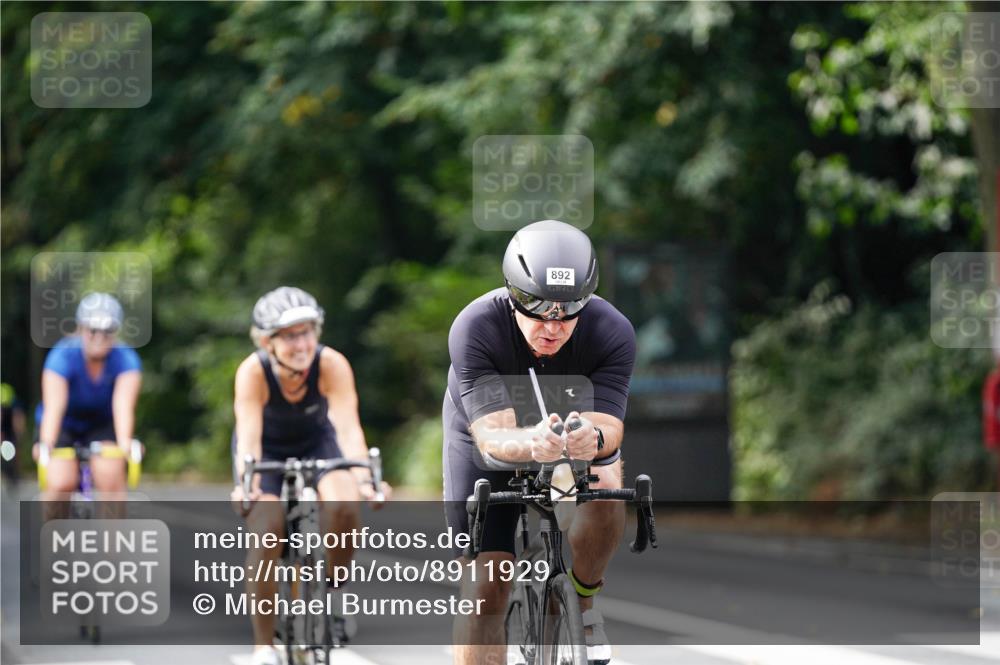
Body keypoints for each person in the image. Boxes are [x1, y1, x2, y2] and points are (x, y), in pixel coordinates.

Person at [443, 220, 636, 665]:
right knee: (486, 588)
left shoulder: (612, 330)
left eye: (569, 310)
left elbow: (608, 428)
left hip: (565, 423)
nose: (553, 325)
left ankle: (582, 604)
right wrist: (532, 443)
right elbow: (492, 437)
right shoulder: (476, 326)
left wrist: (593, 438)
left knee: (608, 488)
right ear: (513, 294)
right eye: (537, 307)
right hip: (486, 430)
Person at [230, 286, 391, 665]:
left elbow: (347, 428)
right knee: (267, 529)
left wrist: (365, 480)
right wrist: (247, 485)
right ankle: (263, 645)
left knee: (345, 504)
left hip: (318, 445)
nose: (301, 344)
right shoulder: (253, 372)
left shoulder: (332, 364)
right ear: (268, 342)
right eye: (289, 336)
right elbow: (248, 437)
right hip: (266, 453)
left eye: (306, 332)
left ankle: (330, 593)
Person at [35, 293, 141, 500]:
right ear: (81, 329)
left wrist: (125, 443)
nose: (99, 337)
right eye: (93, 330)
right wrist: (46, 443)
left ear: (115, 332)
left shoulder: (126, 359)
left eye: (107, 331)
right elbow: (54, 407)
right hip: (64, 424)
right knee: (60, 482)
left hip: (101, 423)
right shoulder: (61, 356)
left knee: (111, 478)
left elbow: (123, 406)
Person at [1, 382, 26, 484]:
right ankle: (12, 471)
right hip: (6, 430)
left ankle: (16, 472)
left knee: (15, 450)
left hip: (10, 430)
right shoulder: (12, 402)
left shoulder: (14, 404)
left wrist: (19, 432)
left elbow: (18, 418)